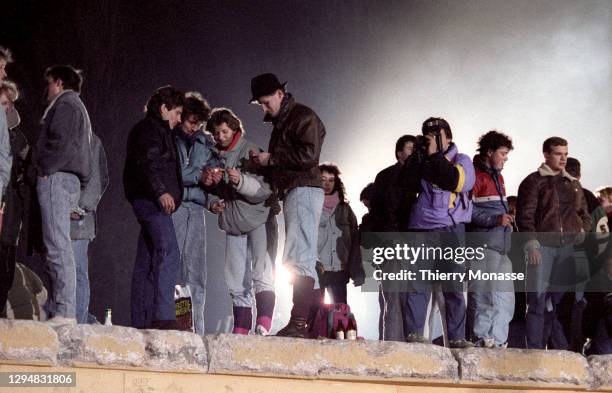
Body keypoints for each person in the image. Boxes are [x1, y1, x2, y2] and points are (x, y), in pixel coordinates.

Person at [249, 73, 325, 337]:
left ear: (280, 93)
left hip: (304, 189)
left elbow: (309, 154)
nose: (263, 107)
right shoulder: (283, 122)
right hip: (295, 191)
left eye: (265, 101)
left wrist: (271, 159)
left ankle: (300, 322)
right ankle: (306, 322)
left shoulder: (303, 116)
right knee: (299, 256)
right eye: (259, 103)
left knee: (300, 257)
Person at [404, 117, 475, 348]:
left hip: (451, 229)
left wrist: (436, 156)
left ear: (449, 137)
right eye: (428, 134)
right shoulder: (420, 160)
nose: (432, 138)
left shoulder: (462, 159)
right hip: (422, 229)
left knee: (453, 286)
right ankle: (415, 334)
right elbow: (406, 185)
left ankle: (456, 337)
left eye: (437, 134)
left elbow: (458, 182)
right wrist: (419, 156)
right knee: (418, 284)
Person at [205, 108, 276, 335]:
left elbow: (265, 189)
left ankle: (264, 321)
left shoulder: (250, 150)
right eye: (216, 134)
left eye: (224, 132)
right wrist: (213, 198)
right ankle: (241, 326)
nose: (220, 137)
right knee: (235, 276)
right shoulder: (213, 155)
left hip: (257, 218)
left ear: (234, 128)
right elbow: (209, 189)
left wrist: (241, 181)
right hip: (233, 221)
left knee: (261, 271)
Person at [516, 137, 591, 349]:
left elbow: (584, 214)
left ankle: (556, 351)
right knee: (537, 302)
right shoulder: (533, 181)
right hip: (543, 248)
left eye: (566, 154)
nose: (563, 158)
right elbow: (525, 216)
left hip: (569, 249)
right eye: (559, 154)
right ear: (546, 154)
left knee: (560, 304)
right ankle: (534, 351)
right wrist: (531, 244)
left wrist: (583, 231)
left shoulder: (574, 184)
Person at [123, 86, 184, 330]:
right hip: (152, 201)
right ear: (163, 109)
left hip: (148, 199)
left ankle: (143, 320)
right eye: (177, 113)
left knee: (147, 260)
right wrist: (161, 192)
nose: (179, 119)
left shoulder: (157, 130)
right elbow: (146, 162)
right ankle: (164, 316)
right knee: (169, 252)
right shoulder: (150, 130)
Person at [35, 65, 93, 319]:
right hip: (67, 180)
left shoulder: (66, 104)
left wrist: (45, 168)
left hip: (57, 179)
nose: (46, 89)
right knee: (60, 245)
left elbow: (61, 142)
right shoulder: (77, 106)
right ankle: (64, 309)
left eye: (48, 83)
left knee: (57, 246)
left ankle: (64, 311)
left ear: (58, 83)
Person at [171, 92, 218, 334]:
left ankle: (196, 329)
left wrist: (213, 185)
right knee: (176, 275)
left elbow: (213, 175)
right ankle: (181, 326)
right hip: (175, 209)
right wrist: (197, 176)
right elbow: (173, 174)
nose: (194, 127)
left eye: (199, 123)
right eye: (191, 121)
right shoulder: (170, 137)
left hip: (197, 210)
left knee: (196, 275)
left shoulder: (206, 142)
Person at [368, 135, 418, 341]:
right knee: (394, 296)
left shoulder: (421, 174)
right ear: (399, 153)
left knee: (414, 298)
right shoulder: (387, 176)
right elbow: (384, 211)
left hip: (417, 243)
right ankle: (394, 343)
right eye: (409, 148)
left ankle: (414, 341)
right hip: (395, 241)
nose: (413, 152)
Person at [468, 130, 515, 347]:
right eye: (503, 153)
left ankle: (498, 341)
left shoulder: (499, 177)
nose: (506, 158)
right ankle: (482, 339)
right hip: (483, 245)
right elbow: (465, 211)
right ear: (490, 152)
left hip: (501, 247)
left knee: (505, 299)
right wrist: (495, 219)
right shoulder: (473, 176)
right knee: (483, 295)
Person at [71, 132, 108, 324]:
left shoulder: (89, 139)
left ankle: (80, 321)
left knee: (77, 270)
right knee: (60, 270)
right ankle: (71, 318)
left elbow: (99, 177)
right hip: (59, 216)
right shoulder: (53, 133)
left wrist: (82, 206)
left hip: (78, 219)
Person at [316, 162, 365, 304]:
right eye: (323, 179)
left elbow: (355, 242)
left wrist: (357, 271)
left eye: (331, 180)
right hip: (316, 269)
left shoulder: (345, 209)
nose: (327, 184)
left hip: (339, 270)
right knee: (314, 315)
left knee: (340, 315)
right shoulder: (311, 206)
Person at [0, 80, 28, 315]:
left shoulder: (18, 138)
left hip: (9, 212)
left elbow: (26, 172)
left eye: (7, 104)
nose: (4, 109)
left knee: (6, 268)